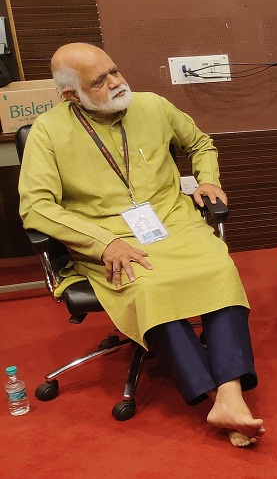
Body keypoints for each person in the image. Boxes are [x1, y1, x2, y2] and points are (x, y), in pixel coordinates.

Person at [19, 43, 264, 447]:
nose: (116, 82)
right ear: (70, 95)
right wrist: (102, 242)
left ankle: (229, 395)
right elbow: (36, 207)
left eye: (114, 70)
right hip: (107, 239)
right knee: (151, 285)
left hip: (174, 222)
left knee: (218, 269)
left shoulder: (153, 106)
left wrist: (208, 178)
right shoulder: (49, 132)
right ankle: (218, 395)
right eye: (100, 81)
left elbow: (201, 144)